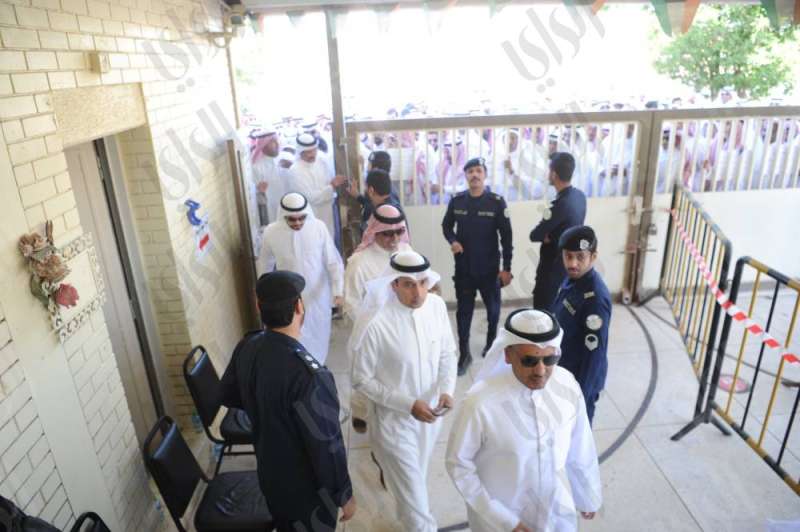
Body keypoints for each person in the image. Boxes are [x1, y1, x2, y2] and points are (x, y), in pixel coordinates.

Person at [220, 271, 356, 531]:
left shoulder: (248, 345)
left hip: (269, 474)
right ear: (299, 307)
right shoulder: (309, 376)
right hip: (306, 494)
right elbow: (326, 446)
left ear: (258, 306)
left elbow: (228, 395)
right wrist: (343, 494)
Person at [446, 308, 602, 532]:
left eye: (550, 359)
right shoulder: (479, 403)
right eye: (529, 360)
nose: (540, 370)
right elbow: (458, 464)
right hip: (499, 521)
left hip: (556, 515)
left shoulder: (567, 385)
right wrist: (503, 520)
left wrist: (588, 493)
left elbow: (581, 445)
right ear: (507, 355)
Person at [350, 250, 457, 532]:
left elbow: (447, 353)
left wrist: (446, 390)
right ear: (394, 283)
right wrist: (408, 404)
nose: (418, 292)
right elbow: (360, 379)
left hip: (430, 421)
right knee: (417, 503)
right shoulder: (376, 323)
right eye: (409, 284)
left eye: (422, 283)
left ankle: (408, 514)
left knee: (413, 486)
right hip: (393, 424)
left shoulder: (436, 307)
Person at [344, 203, 412, 433]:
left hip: (402, 330)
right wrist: (374, 330)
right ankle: (360, 412)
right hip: (369, 334)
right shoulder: (359, 262)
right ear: (375, 232)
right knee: (366, 379)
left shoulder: (407, 253)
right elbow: (351, 303)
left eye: (399, 232)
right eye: (387, 233)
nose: (395, 238)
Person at [442, 157, 513, 376]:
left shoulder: (496, 202)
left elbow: (507, 237)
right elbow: (446, 226)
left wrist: (507, 267)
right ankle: (464, 353)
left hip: (489, 269)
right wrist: (453, 240)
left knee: (493, 310)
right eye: (470, 171)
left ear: (485, 175)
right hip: (464, 269)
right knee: (463, 313)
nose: (474, 175)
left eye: (478, 171)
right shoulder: (457, 201)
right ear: (465, 175)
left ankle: (491, 344)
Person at [257, 192, 343, 364]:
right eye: (292, 219)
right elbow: (265, 266)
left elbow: (333, 262)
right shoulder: (271, 232)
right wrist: (260, 294)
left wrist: (338, 290)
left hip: (317, 298)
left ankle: (317, 369)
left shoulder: (318, 228)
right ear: (283, 216)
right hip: (288, 299)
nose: (297, 223)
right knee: (292, 341)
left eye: (301, 218)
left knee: (319, 338)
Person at [552, 225, 611, 423]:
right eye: (568, 256)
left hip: (580, 380)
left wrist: (581, 397)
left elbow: (594, 354)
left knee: (577, 433)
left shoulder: (595, 298)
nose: (573, 263)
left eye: (580, 257)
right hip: (564, 369)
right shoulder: (572, 280)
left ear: (593, 257)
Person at [530, 152, 586, 311]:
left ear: (554, 174)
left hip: (552, 268)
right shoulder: (580, 196)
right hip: (570, 264)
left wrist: (549, 237)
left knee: (543, 310)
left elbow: (535, 235)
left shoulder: (559, 205)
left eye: (549, 170)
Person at [288, 132, 346, 240]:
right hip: (311, 215)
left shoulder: (321, 160)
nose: (312, 154)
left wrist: (332, 186)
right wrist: (332, 186)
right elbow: (310, 197)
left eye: (314, 150)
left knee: (330, 240)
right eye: (308, 152)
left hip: (328, 211)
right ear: (300, 152)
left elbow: (331, 181)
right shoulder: (295, 171)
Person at [347, 165, 402, 232]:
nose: (365, 190)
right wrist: (358, 196)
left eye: (366, 187)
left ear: (371, 190)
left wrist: (359, 225)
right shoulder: (391, 202)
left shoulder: (382, 213)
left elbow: (367, 231)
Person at [249, 126, 282, 226]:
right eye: (273, 142)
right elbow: (254, 195)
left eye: (276, 140)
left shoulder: (281, 161)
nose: (277, 144)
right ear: (263, 144)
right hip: (270, 212)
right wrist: (259, 191)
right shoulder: (256, 167)